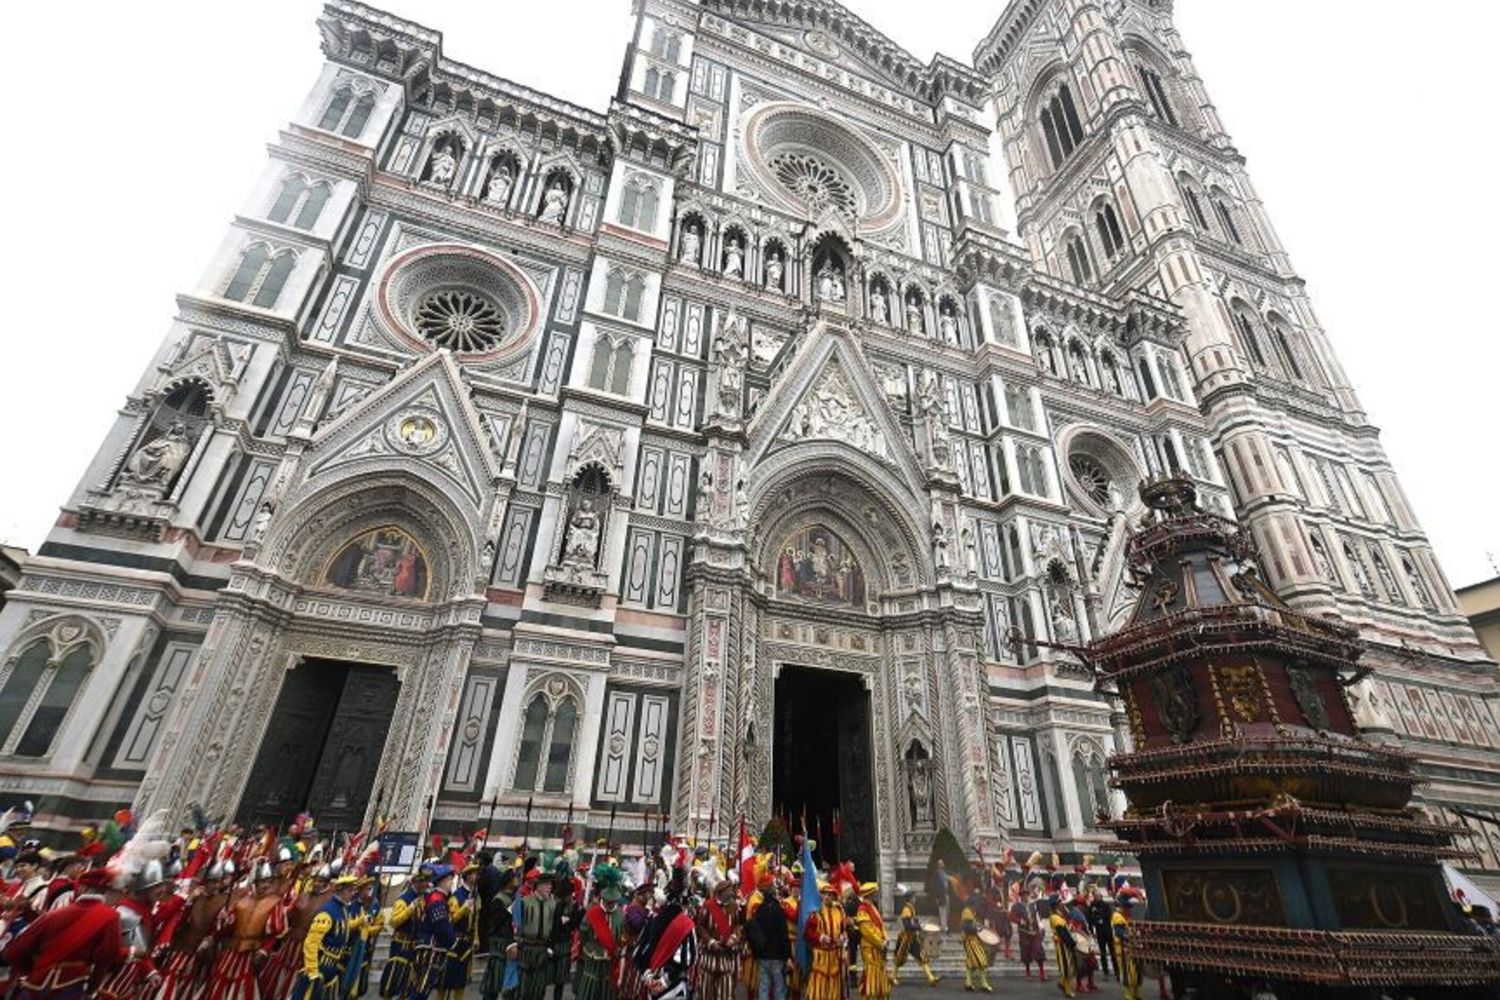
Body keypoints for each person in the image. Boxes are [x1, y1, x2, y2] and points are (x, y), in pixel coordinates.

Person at [3, 868, 125, 1000]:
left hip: (35, 983)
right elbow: (107, 956)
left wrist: (33, 969)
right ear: (106, 891)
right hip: (71, 987)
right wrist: (93, 987)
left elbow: (14, 952)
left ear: (82, 888)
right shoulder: (111, 917)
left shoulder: (53, 915)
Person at [202, 861, 287, 1000]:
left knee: (243, 987)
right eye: (263, 881)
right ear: (256, 882)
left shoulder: (275, 903)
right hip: (232, 949)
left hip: (251, 952)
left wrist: (265, 949)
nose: (266, 885)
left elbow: (274, 932)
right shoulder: (242, 900)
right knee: (220, 981)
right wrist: (224, 920)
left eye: (269, 882)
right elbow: (228, 929)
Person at [575, 864, 624, 1000]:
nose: (610, 904)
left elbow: (621, 937)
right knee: (589, 989)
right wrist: (583, 951)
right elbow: (583, 935)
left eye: (613, 901)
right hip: (592, 958)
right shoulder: (592, 913)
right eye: (608, 901)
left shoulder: (620, 915)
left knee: (606, 991)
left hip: (610, 961)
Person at [381, 867, 430, 1000]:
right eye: (422, 881)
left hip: (416, 945)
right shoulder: (404, 899)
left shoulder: (426, 897)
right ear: (414, 882)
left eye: (426, 881)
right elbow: (393, 922)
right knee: (393, 979)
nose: (425, 884)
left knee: (408, 983)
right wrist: (409, 910)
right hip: (401, 945)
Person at [411, 865, 458, 1000]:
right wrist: (454, 942)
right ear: (441, 881)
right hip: (430, 950)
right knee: (421, 990)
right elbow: (441, 926)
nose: (451, 882)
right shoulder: (437, 900)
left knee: (420, 989)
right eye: (449, 879)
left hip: (429, 948)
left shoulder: (438, 898)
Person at [746, 875, 790, 1000]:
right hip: (777, 955)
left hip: (763, 954)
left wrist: (756, 953)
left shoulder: (759, 909)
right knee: (779, 987)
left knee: (764, 987)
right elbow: (783, 933)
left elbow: (754, 932)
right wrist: (787, 955)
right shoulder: (778, 909)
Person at [438, 865, 478, 1000]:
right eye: (474, 873)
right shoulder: (456, 897)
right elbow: (449, 920)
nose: (476, 876)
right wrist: (463, 909)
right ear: (467, 876)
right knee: (446, 981)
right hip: (455, 942)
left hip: (467, 942)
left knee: (461, 981)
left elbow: (476, 919)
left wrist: (476, 937)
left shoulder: (475, 895)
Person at [478, 865, 518, 1000]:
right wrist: (508, 912)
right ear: (508, 881)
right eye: (514, 878)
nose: (517, 880)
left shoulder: (512, 898)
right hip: (499, 945)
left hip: (509, 943)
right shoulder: (499, 900)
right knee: (493, 982)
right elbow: (496, 922)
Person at [696, 878, 740, 1000]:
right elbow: (700, 926)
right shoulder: (708, 905)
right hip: (708, 960)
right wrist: (710, 942)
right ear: (721, 892)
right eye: (729, 890)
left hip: (726, 960)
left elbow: (737, 925)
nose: (731, 893)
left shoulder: (733, 906)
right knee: (705, 995)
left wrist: (734, 937)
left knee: (726, 995)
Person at [516, 871, 557, 1000]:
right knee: (524, 986)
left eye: (550, 884)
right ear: (538, 886)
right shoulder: (525, 902)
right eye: (546, 884)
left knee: (539, 987)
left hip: (542, 949)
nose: (550, 887)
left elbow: (555, 927)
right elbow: (515, 925)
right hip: (527, 948)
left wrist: (551, 947)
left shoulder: (553, 904)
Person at [802, 882, 845, 1000]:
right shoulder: (816, 912)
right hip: (821, 955)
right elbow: (807, 933)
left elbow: (843, 929)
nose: (827, 897)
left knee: (834, 982)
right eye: (825, 894)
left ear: (834, 897)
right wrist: (820, 937)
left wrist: (842, 938)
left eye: (830, 895)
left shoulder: (839, 911)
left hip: (835, 955)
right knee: (819, 982)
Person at [852, 884, 891, 1000]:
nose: (877, 894)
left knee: (880, 977)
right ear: (870, 894)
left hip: (878, 947)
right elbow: (867, 930)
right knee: (871, 978)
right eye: (875, 892)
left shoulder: (873, 907)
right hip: (870, 948)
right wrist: (880, 942)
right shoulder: (862, 909)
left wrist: (885, 938)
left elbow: (880, 926)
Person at [892, 886, 936, 986]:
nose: (915, 899)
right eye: (914, 897)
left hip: (912, 937)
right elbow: (907, 926)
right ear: (910, 898)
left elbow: (913, 923)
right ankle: (893, 976)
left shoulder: (911, 908)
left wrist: (919, 925)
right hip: (905, 938)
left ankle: (930, 977)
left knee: (921, 956)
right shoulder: (906, 910)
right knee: (899, 958)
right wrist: (919, 926)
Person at [1111, 890, 1142, 1000]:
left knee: (1134, 971)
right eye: (1127, 907)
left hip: (1130, 947)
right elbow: (1119, 933)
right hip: (1122, 948)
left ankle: (1136, 993)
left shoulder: (1125, 916)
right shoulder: (1117, 916)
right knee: (1126, 972)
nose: (1129, 909)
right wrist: (1130, 938)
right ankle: (1128, 994)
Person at [1010, 886, 1045, 982]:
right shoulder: (1016, 906)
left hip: (1035, 931)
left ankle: (1042, 972)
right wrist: (1019, 921)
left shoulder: (1033, 906)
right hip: (1024, 932)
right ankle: (1028, 971)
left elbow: (1037, 917)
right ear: (1021, 896)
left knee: (1039, 950)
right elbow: (1011, 917)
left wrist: (1040, 926)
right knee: (1026, 952)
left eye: (1027, 894)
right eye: (1023, 895)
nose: (1025, 896)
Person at [959, 893, 992, 994]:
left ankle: (968, 983)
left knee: (971, 962)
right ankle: (984, 983)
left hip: (974, 940)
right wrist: (978, 929)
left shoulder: (972, 911)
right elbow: (967, 927)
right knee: (982, 960)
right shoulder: (967, 911)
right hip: (971, 940)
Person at [1046, 895, 1077, 999]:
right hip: (1062, 945)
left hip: (1064, 944)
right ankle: (1067, 990)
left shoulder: (1059, 915)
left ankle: (1062, 983)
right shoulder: (1055, 917)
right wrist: (1071, 943)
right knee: (1066, 966)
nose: (1061, 903)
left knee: (1069, 966)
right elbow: (1062, 933)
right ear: (1056, 904)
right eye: (1059, 902)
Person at [1086, 890, 1113, 979]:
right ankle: (1105, 971)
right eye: (1095, 897)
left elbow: (1108, 916)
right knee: (1102, 952)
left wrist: (1098, 916)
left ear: (1101, 897)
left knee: (1112, 951)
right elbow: (1090, 919)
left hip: (1107, 930)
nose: (1097, 898)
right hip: (1099, 931)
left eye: (1098, 896)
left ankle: (1116, 969)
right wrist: (1091, 930)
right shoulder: (1092, 906)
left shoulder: (1105, 905)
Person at [927, 861, 949, 933]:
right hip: (940, 895)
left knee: (946, 910)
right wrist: (936, 897)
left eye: (943, 863)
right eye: (941, 863)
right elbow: (934, 886)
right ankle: (943, 926)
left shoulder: (945, 873)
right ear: (939, 865)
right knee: (942, 910)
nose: (943, 864)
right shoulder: (936, 874)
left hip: (946, 893)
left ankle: (945, 925)